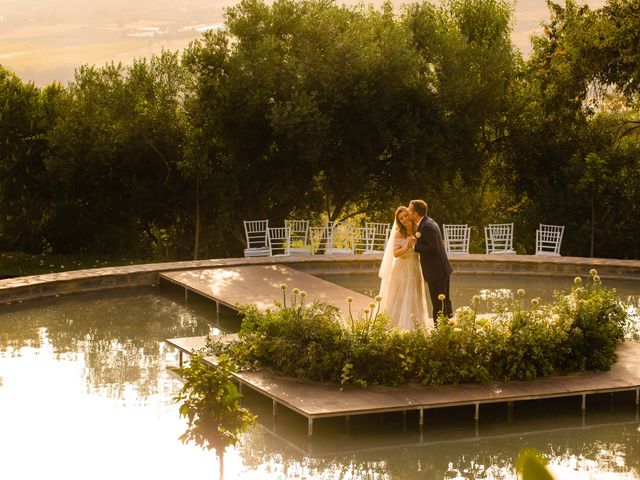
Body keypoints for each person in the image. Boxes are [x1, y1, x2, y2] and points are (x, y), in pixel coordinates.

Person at [378, 206, 432, 330]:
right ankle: (396, 327)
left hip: (415, 267)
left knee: (414, 296)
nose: (404, 220)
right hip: (401, 267)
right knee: (400, 296)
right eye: (401, 218)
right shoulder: (399, 233)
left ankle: (415, 326)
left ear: (410, 214)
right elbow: (395, 253)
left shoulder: (419, 229)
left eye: (406, 216)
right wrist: (407, 246)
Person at [407, 199, 453, 325]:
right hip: (440, 269)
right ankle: (449, 328)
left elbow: (434, 248)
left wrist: (415, 246)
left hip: (436, 271)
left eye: (409, 210)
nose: (408, 212)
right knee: (445, 302)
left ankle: (440, 332)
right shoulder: (428, 222)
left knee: (439, 304)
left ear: (415, 213)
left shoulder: (426, 226)